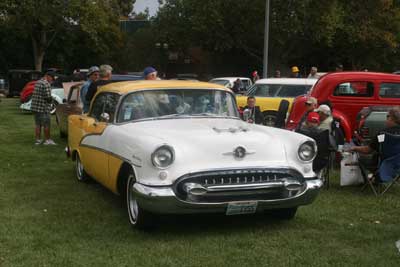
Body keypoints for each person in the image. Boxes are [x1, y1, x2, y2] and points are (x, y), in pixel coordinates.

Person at [30, 71, 56, 145]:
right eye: (52, 78)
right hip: (43, 108)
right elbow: (48, 97)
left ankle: (38, 140)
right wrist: (52, 100)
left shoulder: (38, 82)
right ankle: (48, 140)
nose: (52, 80)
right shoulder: (46, 84)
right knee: (46, 124)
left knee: (38, 124)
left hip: (35, 107)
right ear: (48, 76)